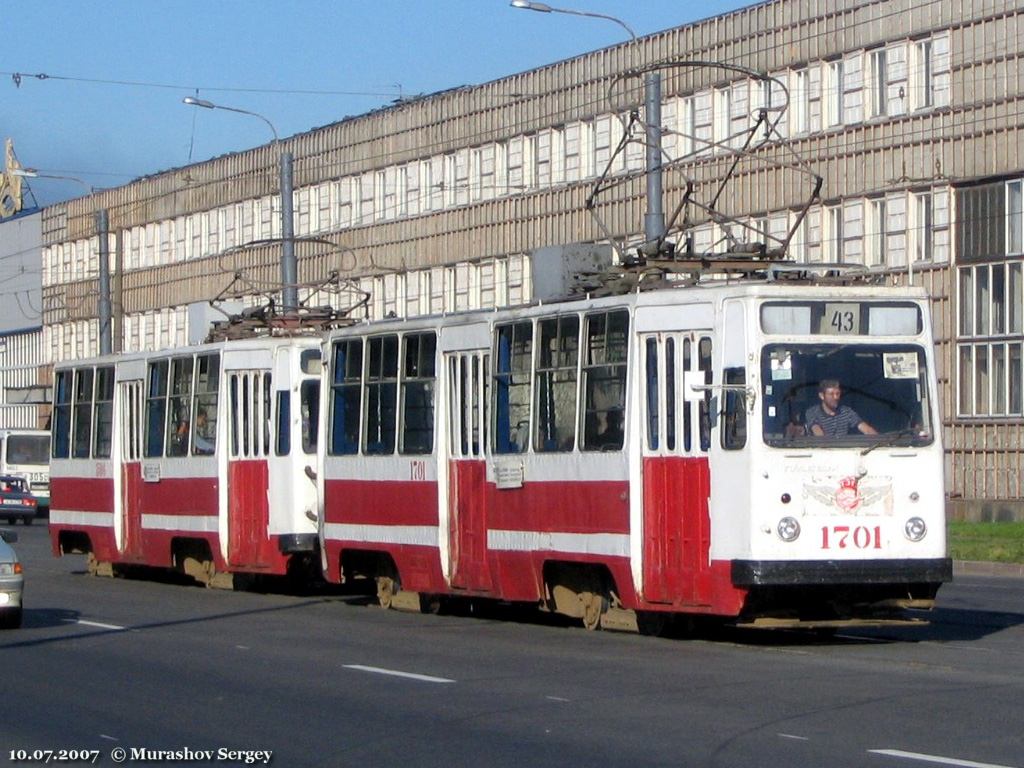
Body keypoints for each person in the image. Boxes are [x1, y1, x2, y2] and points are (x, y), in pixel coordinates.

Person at [804, 379, 877, 437]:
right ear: (822, 396)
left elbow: (867, 430)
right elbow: (818, 433)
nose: (835, 397)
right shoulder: (812, 412)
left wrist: (880, 442)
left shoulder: (846, 412)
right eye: (831, 394)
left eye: (837, 393)